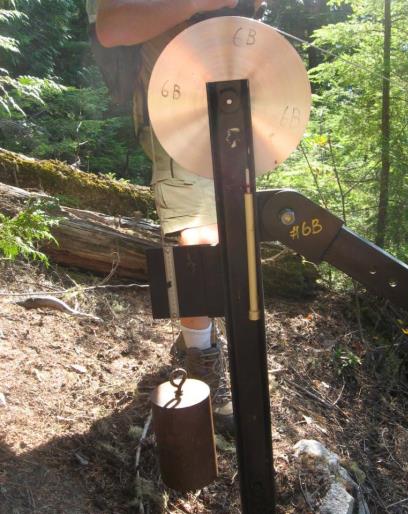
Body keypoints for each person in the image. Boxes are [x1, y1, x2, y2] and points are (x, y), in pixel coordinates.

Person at [90, 0, 263, 433]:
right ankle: (202, 359)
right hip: (176, 113)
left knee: (232, 234)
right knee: (197, 238)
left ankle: (200, 337)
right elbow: (111, 27)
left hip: (238, 108)